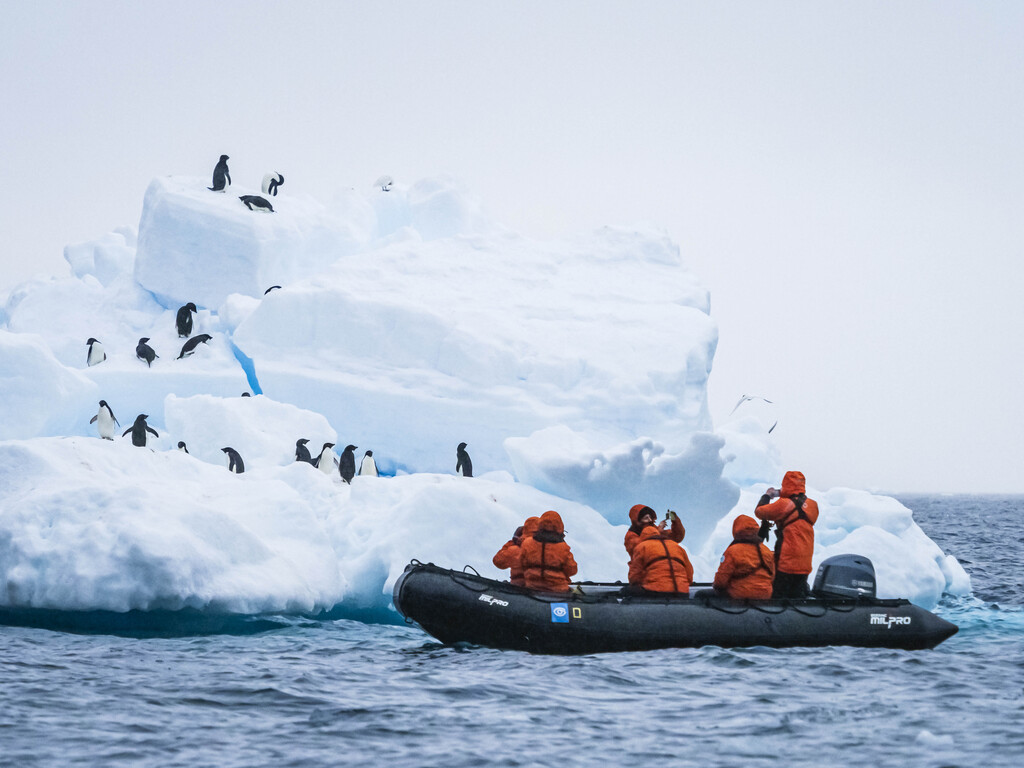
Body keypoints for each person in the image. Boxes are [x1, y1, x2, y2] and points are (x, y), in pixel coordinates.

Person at [754, 470, 819, 598]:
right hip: (804, 562)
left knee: (779, 597)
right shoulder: (813, 505)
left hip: (786, 561)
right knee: (797, 598)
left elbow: (759, 511)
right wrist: (783, 494)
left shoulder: (784, 504)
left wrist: (767, 495)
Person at [712, 514, 775, 599]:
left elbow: (721, 581)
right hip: (765, 595)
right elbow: (772, 576)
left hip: (740, 594)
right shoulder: (766, 551)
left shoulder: (732, 551)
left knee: (701, 595)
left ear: (736, 530)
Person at [519, 510, 577, 592]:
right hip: (558, 591)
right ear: (559, 526)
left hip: (532, 588)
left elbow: (522, 563)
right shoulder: (563, 547)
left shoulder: (527, 543)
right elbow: (572, 570)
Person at [626, 524, 694, 594]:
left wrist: (636, 585)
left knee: (626, 592)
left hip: (655, 592)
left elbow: (635, 574)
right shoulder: (677, 546)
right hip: (682, 592)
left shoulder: (642, 547)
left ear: (642, 537)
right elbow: (689, 574)